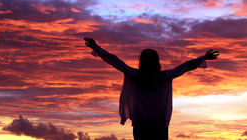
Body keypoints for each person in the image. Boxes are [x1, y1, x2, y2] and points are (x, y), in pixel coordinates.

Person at [84, 37, 219, 140]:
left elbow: (114, 60)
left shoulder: (135, 75)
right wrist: (204, 57)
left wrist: (96, 46)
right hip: (158, 126)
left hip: (143, 126)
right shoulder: (164, 76)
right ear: (157, 62)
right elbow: (186, 66)